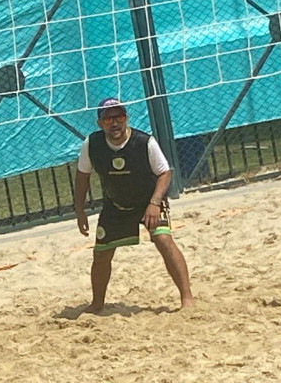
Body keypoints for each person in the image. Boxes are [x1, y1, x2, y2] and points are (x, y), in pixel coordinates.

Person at [73, 98, 194, 313]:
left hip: (148, 201)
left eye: (119, 117)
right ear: (100, 123)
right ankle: (97, 303)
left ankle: (187, 299)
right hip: (116, 204)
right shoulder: (92, 144)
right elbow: (82, 177)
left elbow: (165, 172)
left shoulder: (144, 142)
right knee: (102, 253)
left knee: (163, 239)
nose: (115, 123)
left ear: (126, 119)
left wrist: (155, 202)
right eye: (108, 118)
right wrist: (80, 211)